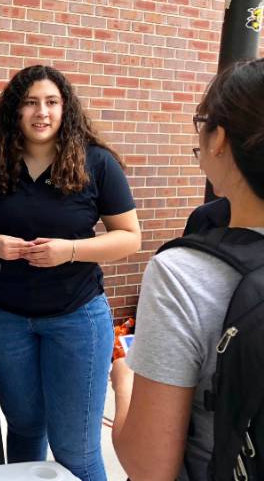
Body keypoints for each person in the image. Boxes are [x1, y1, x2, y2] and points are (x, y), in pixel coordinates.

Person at [0, 64, 140, 480]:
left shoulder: (97, 163)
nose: (42, 112)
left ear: (65, 108)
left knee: (75, 448)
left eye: (51, 102)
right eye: (30, 102)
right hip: (0, 316)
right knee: (25, 429)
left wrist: (69, 250)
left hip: (76, 318)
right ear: (15, 110)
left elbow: (129, 237)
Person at [111, 59, 264, 480]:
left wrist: (124, 382)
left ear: (220, 140)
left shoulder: (184, 274)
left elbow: (149, 467)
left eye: (203, 121)